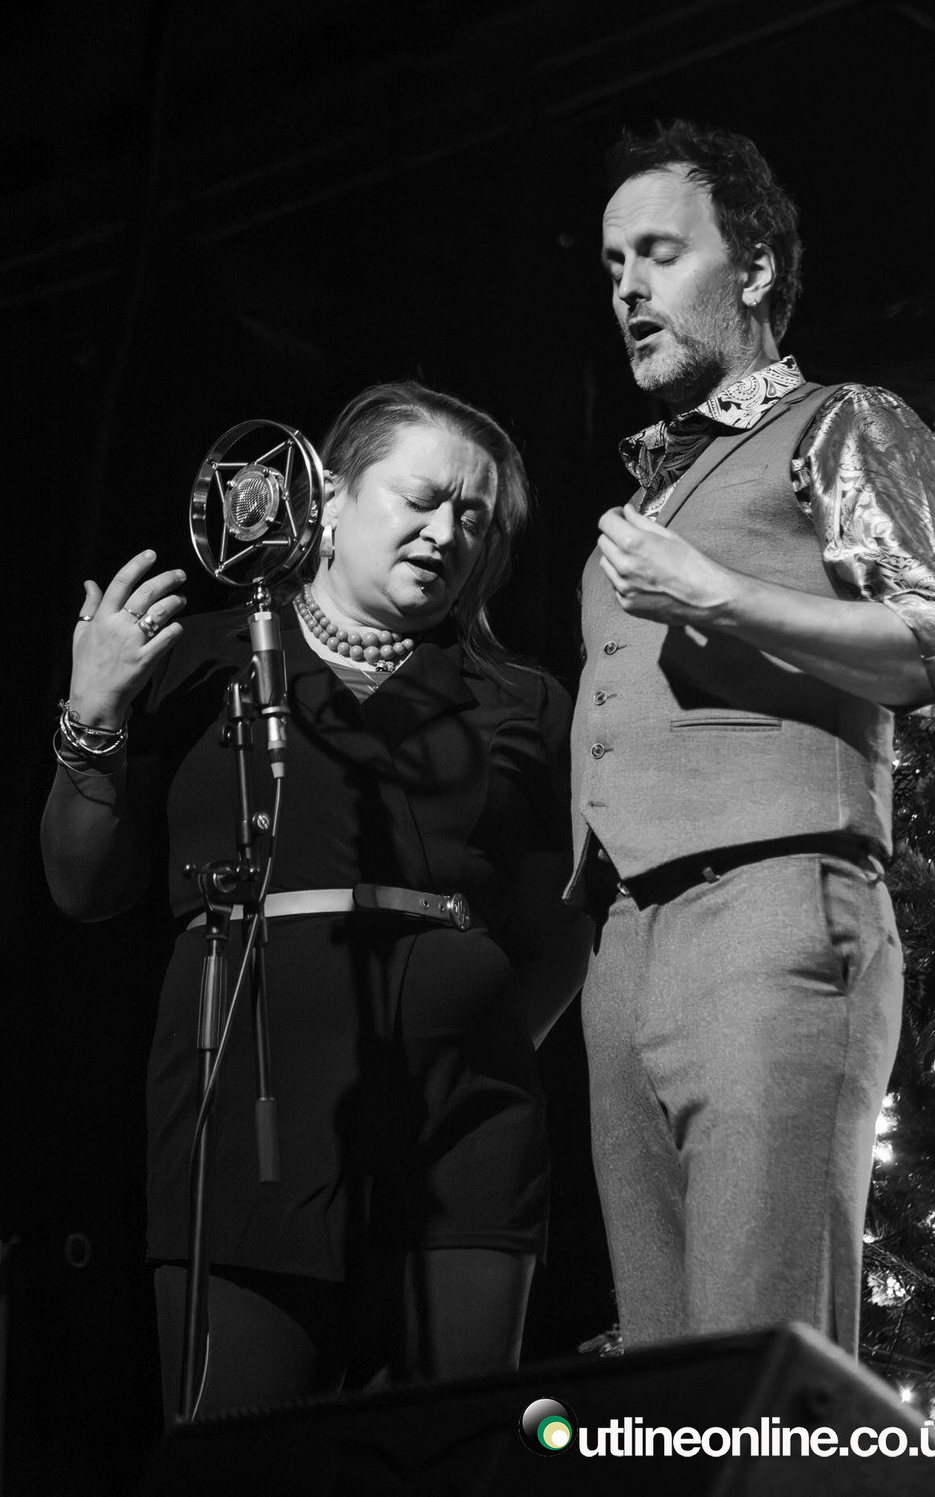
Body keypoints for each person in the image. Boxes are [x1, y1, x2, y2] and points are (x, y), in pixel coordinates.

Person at [42, 380, 592, 1420]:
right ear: (329, 500)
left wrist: (476, 1042)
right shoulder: (200, 659)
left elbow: (560, 923)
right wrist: (93, 712)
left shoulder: (521, 701)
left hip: (465, 1134)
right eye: (421, 499)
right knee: (243, 1455)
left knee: (446, 1453)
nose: (447, 533)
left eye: (474, 518)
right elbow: (84, 887)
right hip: (250, 1110)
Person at [568, 118, 935, 1356]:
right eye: (612, 265)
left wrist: (718, 595)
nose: (628, 288)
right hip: (627, 942)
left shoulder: (838, 421)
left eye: (659, 254)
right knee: (665, 1385)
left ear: (751, 269)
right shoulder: (649, 491)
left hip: (770, 906)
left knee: (762, 1369)